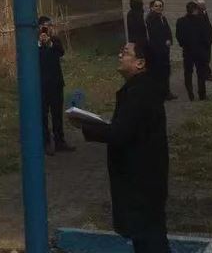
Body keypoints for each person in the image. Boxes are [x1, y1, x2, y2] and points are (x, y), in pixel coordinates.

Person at [70, 40, 169, 253]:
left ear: (140, 63)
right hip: (144, 177)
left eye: (125, 52)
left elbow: (120, 133)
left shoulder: (140, 92)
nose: (120, 56)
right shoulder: (139, 88)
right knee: (146, 237)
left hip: (141, 179)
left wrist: (86, 126)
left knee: (150, 239)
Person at [38, 16, 75, 155]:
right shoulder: (34, 42)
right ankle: (46, 142)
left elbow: (61, 52)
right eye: (44, 26)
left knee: (57, 114)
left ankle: (60, 141)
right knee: (43, 115)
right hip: (41, 84)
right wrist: (40, 43)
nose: (47, 28)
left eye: (49, 26)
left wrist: (50, 43)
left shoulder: (55, 40)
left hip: (56, 83)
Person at [175, 2, 209, 101]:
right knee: (201, 73)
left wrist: (183, 44)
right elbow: (205, 35)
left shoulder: (181, 21)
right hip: (200, 51)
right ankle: (202, 94)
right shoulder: (201, 20)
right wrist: (205, 46)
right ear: (195, 9)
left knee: (188, 73)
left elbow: (178, 36)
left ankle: (190, 94)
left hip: (188, 51)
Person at [145, 0, 176, 101]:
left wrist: (169, 40)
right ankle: (160, 93)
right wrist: (164, 41)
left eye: (160, 6)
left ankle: (166, 92)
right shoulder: (151, 18)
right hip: (157, 50)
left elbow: (167, 30)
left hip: (164, 50)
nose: (159, 8)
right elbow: (155, 34)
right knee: (159, 72)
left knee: (165, 72)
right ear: (152, 7)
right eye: (156, 6)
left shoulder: (162, 18)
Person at [195, 0, 212, 82]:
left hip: (207, 41)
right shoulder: (198, 16)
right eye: (203, 5)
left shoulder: (204, 13)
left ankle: (206, 74)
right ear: (199, 6)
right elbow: (202, 29)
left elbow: (208, 26)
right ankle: (206, 75)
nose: (205, 6)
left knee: (207, 58)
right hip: (203, 42)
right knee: (205, 59)